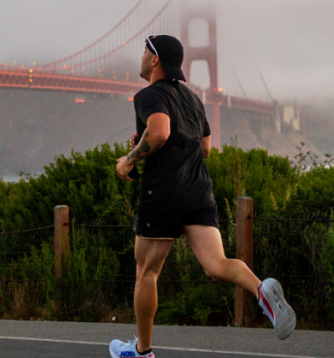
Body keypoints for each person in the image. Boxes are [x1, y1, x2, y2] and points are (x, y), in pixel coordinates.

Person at [108, 35, 295, 358]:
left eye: (144, 51)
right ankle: (261, 289)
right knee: (217, 264)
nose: (140, 56)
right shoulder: (193, 99)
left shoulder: (149, 95)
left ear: (155, 60)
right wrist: (147, 142)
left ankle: (141, 352)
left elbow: (162, 133)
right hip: (197, 191)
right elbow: (204, 148)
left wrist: (131, 158)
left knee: (147, 273)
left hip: (163, 193)